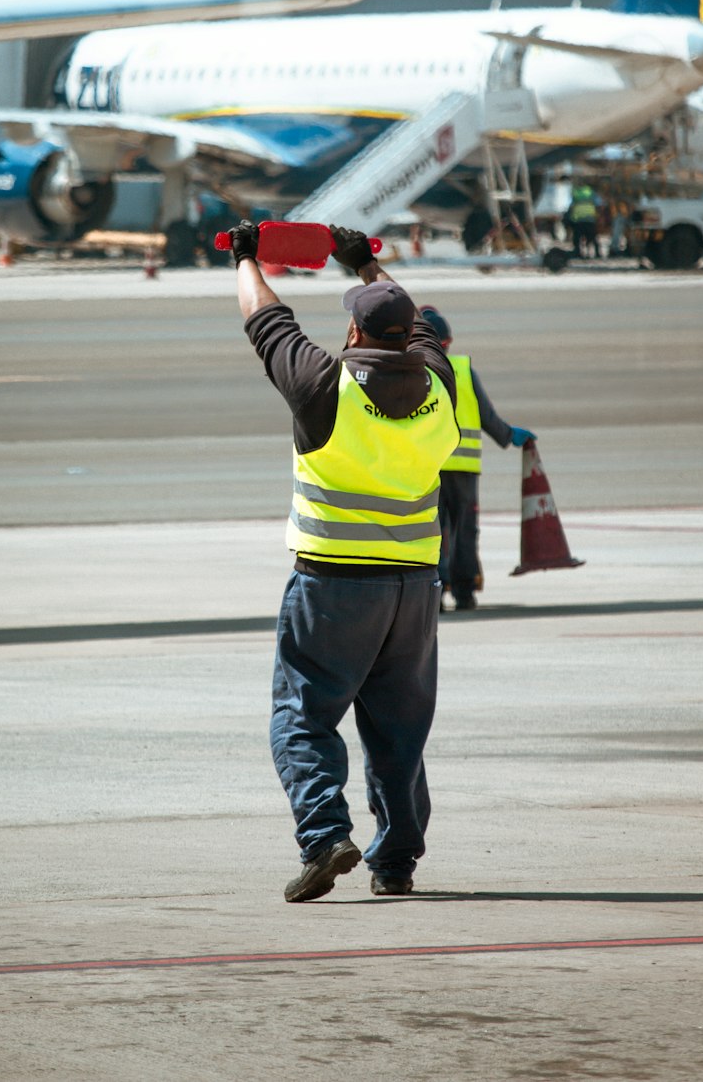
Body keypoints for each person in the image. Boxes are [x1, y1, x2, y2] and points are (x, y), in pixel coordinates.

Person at [228, 218, 461, 903]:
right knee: (399, 728)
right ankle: (397, 861)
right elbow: (417, 324)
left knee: (303, 716)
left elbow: (266, 320)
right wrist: (366, 264)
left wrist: (245, 258)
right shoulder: (441, 387)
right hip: (416, 590)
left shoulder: (328, 389)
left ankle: (326, 833)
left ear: (354, 335)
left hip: (333, 586)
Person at [419, 305, 535, 613]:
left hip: (427, 469)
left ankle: (436, 590)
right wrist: (509, 436)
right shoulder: (463, 370)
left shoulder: (415, 370)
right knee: (465, 531)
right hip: (464, 472)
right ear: (449, 341)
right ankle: (465, 592)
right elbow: (487, 416)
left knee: (431, 531)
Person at [567, 181, 600, 259]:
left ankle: (578, 252)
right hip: (590, 219)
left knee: (577, 238)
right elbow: (599, 203)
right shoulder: (591, 192)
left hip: (578, 219)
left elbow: (571, 206)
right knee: (592, 237)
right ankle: (597, 253)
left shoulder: (576, 193)